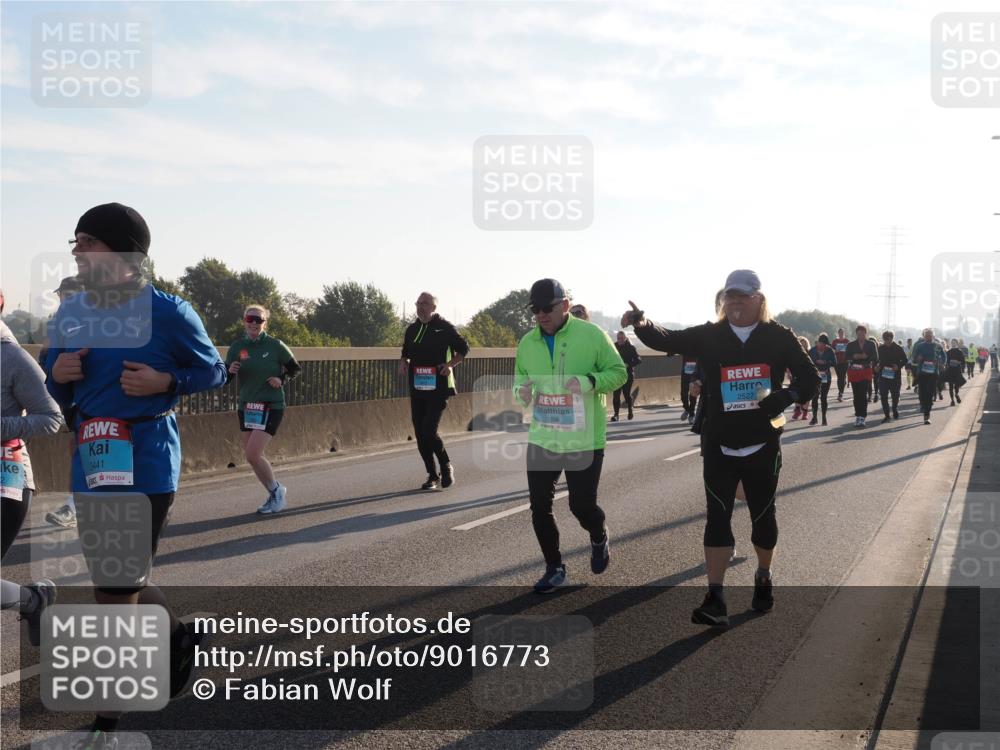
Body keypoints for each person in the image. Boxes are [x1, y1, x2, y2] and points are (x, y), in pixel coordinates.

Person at [45, 203, 228, 747]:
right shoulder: (71, 310)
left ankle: (106, 725)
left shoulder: (168, 311)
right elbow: (53, 392)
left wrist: (165, 381)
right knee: (121, 581)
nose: (76, 249)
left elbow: (213, 370)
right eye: (75, 239)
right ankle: (175, 638)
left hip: (146, 462)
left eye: (87, 240)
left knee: (112, 592)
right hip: (93, 464)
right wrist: (57, 374)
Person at [622, 270, 817, 628]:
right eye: (730, 296)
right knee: (717, 515)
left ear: (759, 299)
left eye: (743, 296)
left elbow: (810, 379)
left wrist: (784, 397)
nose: (735, 302)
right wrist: (642, 322)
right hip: (718, 442)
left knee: (763, 516)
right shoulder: (711, 335)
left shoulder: (778, 336)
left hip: (762, 442)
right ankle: (715, 596)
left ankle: (763, 574)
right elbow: (670, 338)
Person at [515, 279, 626, 593]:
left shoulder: (592, 335)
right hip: (543, 437)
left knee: (581, 506)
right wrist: (520, 391)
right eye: (535, 310)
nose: (540, 315)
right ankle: (554, 567)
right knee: (539, 507)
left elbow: (619, 372)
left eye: (546, 308)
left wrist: (589, 381)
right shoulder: (527, 343)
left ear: (564, 305)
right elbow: (519, 380)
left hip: (584, 439)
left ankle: (598, 533)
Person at [1, 292, 62, 646]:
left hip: (6, 477)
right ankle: (32, 599)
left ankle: (33, 600)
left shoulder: (12, 356)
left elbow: (52, 418)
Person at [224, 305, 301, 514]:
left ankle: (277, 492)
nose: (254, 323)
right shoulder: (238, 347)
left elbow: (295, 368)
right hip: (247, 407)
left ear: (265, 323)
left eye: (259, 320)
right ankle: (274, 491)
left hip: (271, 405)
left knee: (253, 453)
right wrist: (229, 371)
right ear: (244, 321)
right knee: (251, 457)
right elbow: (225, 378)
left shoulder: (275, 345)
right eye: (250, 319)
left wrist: (281, 379)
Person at [399, 292, 469, 490]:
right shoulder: (412, 329)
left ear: (434, 307)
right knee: (420, 433)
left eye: (425, 304)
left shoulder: (444, 328)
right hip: (418, 387)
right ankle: (432, 475)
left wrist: (450, 365)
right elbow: (405, 352)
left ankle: (446, 465)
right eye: (418, 303)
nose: (420, 307)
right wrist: (403, 362)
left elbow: (464, 349)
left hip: (439, 387)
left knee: (429, 430)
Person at [43, 276, 86, 529]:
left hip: (85, 398)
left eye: (67, 295)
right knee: (77, 449)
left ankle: (75, 506)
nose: (63, 300)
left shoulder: (88, 320)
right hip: (68, 399)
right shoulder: (60, 321)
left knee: (81, 449)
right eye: (61, 295)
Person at [844, 325, 879, 427]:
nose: (861, 336)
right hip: (854, 371)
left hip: (865, 370)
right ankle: (857, 416)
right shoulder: (851, 345)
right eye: (859, 334)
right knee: (856, 395)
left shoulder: (871, 344)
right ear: (856, 334)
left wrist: (866, 357)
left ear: (865, 334)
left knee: (863, 394)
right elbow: (846, 357)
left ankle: (862, 417)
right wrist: (855, 356)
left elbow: (876, 357)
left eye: (862, 334)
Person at [911, 328, 943, 424]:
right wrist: (918, 359)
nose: (928, 336)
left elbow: (944, 356)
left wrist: (941, 362)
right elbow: (913, 358)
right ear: (924, 336)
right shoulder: (919, 346)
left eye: (930, 335)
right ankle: (923, 404)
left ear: (933, 336)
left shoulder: (937, 346)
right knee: (922, 393)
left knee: (930, 394)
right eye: (926, 335)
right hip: (922, 373)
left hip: (933, 373)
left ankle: (927, 415)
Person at [876, 331, 908, 421]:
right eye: (885, 340)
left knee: (895, 395)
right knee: (883, 396)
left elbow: (905, 360)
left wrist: (898, 366)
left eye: (888, 339)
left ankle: (894, 408)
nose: (887, 341)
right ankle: (887, 415)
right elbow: (876, 360)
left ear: (892, 338)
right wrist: (876, 367)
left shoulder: (898, 348)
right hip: (883, 376)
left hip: (895, 376)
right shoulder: (880, 348)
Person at [807, 333, 836, 426]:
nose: (823, 347)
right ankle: (814, 418)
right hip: (815, 376)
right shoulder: (812, 351)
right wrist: (815, 362)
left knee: (823, 397)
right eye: (822, 344)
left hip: (826, 376)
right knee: (814, 397)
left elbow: (834, 363)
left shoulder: (830, 351)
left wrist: (825, 362)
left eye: (825, 345)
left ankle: (824, 418)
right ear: (818, 343)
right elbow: (807, 362)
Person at [611, 331, 640, 421]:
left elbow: (638, 360)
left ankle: (630, 410)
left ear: (626, 338)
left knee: (626, 394)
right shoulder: (613, 347)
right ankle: (616, 415)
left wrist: (628, 364)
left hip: (628, 374)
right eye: (618, 338)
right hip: (616, 374)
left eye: (621, 338)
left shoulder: (631, 348)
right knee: (616, 394)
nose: (619, 340)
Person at [792, 336, 812, 421]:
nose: (802, 346)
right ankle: (797, 409)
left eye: (804, 344)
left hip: (808, 376)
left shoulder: (810, 353)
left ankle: (805, 412)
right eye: (800, 344)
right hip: (796, 375)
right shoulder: (794, 353)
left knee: (807, 394)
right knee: (794, 392)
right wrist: (789, 372)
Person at [945, 339, 966, 405]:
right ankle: (952, 400)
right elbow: (946, 361)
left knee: (957, 385)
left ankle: (956, 394)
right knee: (950, 386)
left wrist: (958, 363)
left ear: (957, 343)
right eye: (952, 342)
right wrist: (948, 365)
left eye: (954, 342)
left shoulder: (959, 351)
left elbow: (963, 361)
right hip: (950, 370)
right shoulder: (948, 352)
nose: (953, 343)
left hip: (957, 370)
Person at [831, 328, 850, 402]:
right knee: (840, 377)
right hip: (837, 361)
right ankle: (841, 388)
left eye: (842, 333)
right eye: (839, 333)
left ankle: (840, 393)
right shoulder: (835, 341)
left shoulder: (847, 341)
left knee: (842, 376)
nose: (841, 334)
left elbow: (850, 350)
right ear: (838, 333)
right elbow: (831, 350)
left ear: (844, 333)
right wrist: (835, 350)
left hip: (845, 361)